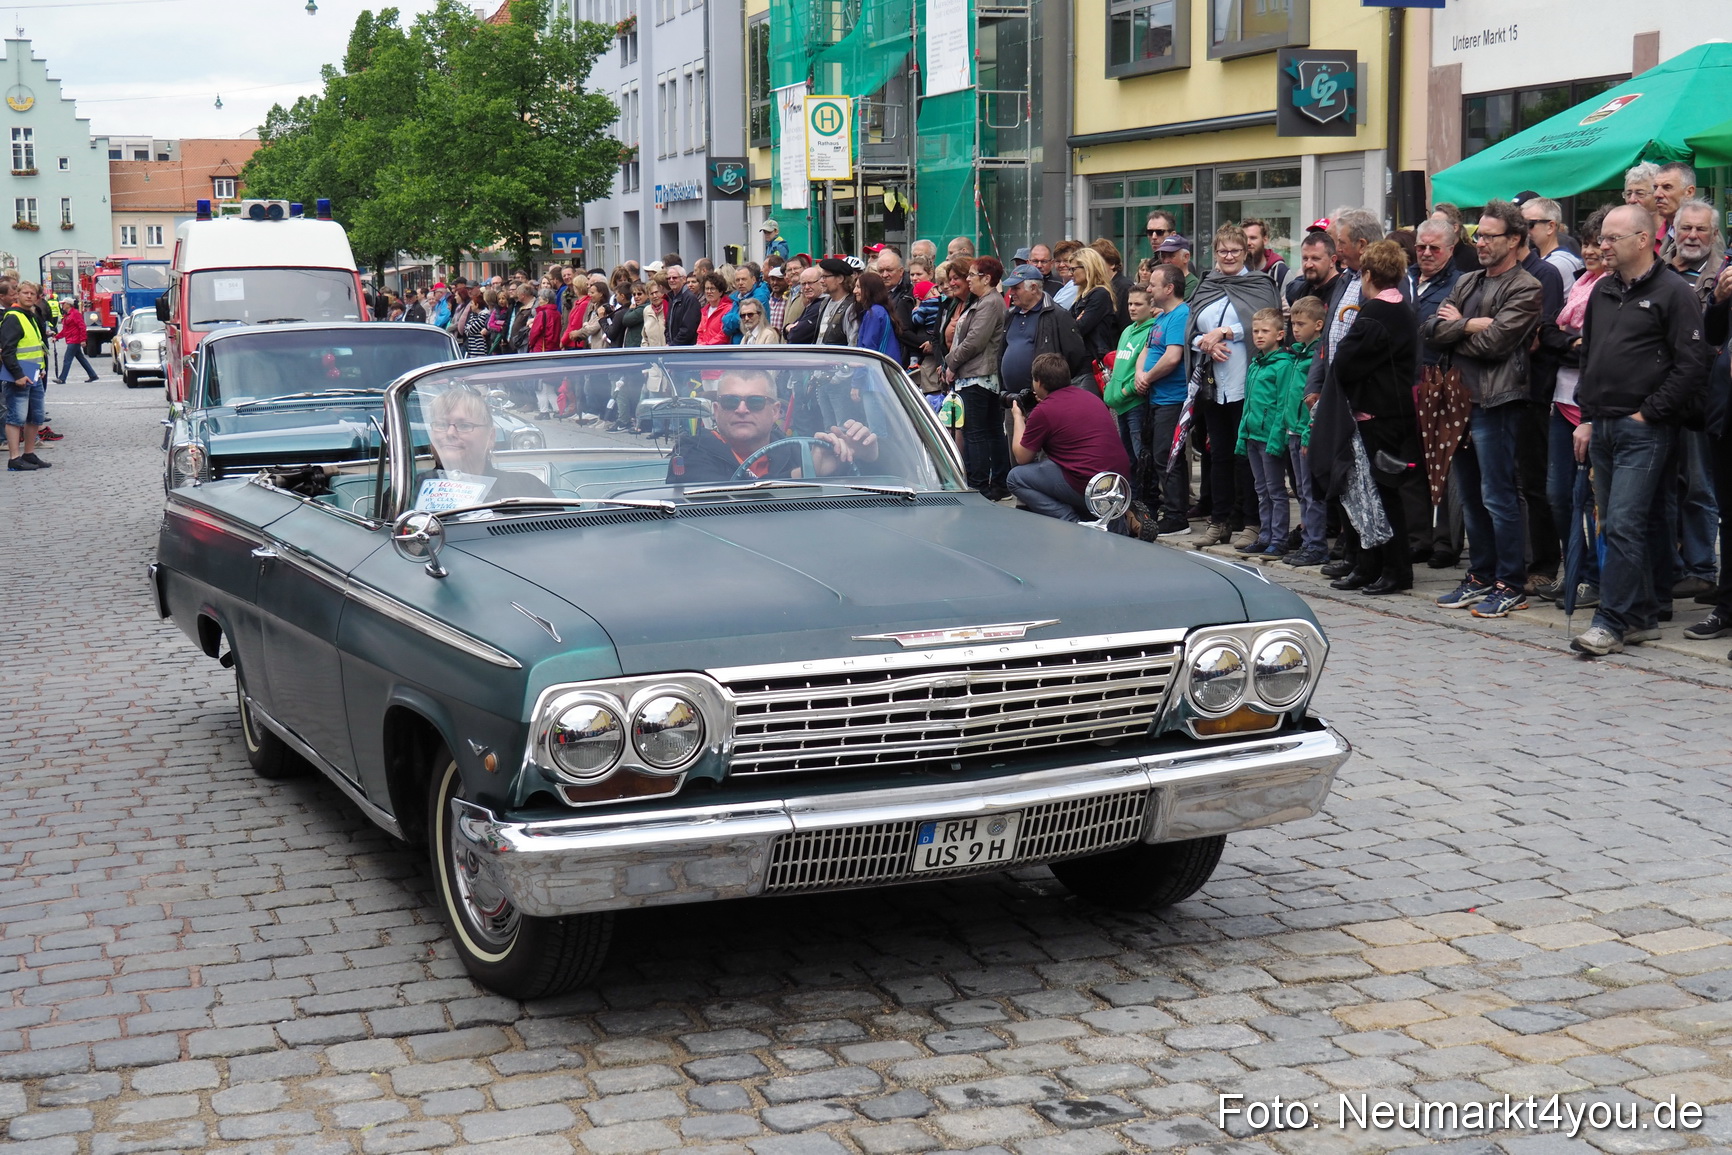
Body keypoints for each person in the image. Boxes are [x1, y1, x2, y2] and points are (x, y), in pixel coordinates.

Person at [1569, 205, 1709, 656]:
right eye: (1602, 238)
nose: (1602, 246)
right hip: (1605, 423)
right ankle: (1642, 615)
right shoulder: (1603, 291)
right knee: (1625, 523)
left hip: (1644, 428)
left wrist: (1650, 413)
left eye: (1612, 238)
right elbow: (1589, 356)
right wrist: (1588, 416)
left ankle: (1611, 620)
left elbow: (1691, 364)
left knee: (1624, 524)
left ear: (1642, 239)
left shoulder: (1673, 291)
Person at [1421, 199, 1543, 619]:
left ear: (1514, 239)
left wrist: (1455, 329)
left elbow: (1497, 346)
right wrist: (1469, 325)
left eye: (1490, 236)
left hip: (1497, 402)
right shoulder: (1469, 280)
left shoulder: (1526, 286)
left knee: (1498, 496)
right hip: (1457, 400)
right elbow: (1430, 331)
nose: (1481, 242)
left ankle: (1510, 582)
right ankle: (1480, 574)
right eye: (1479, 235)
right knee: (1469, 498)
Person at [1318, 240, 1421, 595]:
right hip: (1385, 412)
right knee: (1368, 494)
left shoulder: (1378, 312)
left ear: (1369, 274)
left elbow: (1345, 361)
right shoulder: (1397, 308)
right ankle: (1370, 565)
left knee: (1379, 495)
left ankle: (1393, 569)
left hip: (1379, 414)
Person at [1187, 223, 1281, 550]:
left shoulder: (1258, 284)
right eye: (1223, 251)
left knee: (1248, 458)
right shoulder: (1206, 285)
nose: (1228, 256)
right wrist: (1205, 342)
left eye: (1235, 251)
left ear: (1246, 253)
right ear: (1215, 253)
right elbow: (1191, 330)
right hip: (1214, 385)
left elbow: (1265, 322)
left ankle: (1252, 523)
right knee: (1220, 455)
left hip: (1247, 384)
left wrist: (1226, 332)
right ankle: (1220, 520)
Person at [1535, 206, 1608, 608]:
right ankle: (1575, 571)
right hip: (1562, 398)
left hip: (1594, 405)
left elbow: (1597, 346)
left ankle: (1595, 578)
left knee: (1594, 498)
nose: (1592, 250)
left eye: (1600, 243)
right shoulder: (1580, 281)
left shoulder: (1611, 287)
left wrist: (1572, 343)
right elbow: (1549, 332)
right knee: (1559, 494)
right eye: (1587, 243)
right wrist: (1571, 343)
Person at [664, 367, 877, 484]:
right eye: (731, 401)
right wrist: (803, 474)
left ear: (776, 411)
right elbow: (723, 500)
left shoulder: (796, 450)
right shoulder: (689, 454)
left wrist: (865, 455)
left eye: (755, 402)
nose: (742, 409)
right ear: (717, 410)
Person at [1007, 352, 1131, 523]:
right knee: (1053, 463)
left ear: (1039, 382)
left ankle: (1070, 520)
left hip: (1088, 486)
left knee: (1016, 477)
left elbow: (1022, 457)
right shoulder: (1090, 397)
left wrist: (1017, 417)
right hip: (1117, 483)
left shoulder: (1044, 411)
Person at [1408, 218, 1466, 569]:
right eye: (1421, 247)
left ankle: (1447, 540)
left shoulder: (1459, 283)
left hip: (1441, 380)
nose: (1426, 253)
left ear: (1450, 248)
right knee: (1413, 463)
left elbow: (1447, 329)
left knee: (1445, 464)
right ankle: (1418, 537)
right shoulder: (1406, 278)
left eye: (1434, 248)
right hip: (1407, 379)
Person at [418, 387, 554, 506]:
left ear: (490, 437)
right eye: (441, 425)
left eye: (464, 426)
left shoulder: (527, 490)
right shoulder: (408, 491)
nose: (450, 433)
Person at [944, 256, 1009, 499]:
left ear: (987, 278)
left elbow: (974, 341)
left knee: (976, 433)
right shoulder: (984, 301)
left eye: (972, 275)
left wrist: (950, 361)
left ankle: (982, 485)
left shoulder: (990, 303)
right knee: (990, 430)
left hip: (978, 377)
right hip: (977, 375)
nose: (968, 279)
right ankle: (996, 483)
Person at [1233, 307, 1296, 557]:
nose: (1258, 336)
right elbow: (1248, 403)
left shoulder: (1283, 365)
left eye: (1265, 331)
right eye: (1255, 331)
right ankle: (1266, 534)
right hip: (1252, 436)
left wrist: (1276, 438)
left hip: (1270, 436)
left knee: (1275, 490)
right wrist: (1242, 435)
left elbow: (1283, 405)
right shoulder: (1255, 364)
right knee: (1261, 489)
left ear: (1280, 334)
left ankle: (1279, 539)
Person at [1139, 265, 1193, 537]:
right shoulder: (1161, 318)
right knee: (1157, 456)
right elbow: (1147, 349)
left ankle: (1176, 516)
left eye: (1153, 285)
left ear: (1169, 288)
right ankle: (1168, 509)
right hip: (1156, 397)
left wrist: (1147, 377)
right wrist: (1140, 373)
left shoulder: (1180, 315)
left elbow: (1173, 357)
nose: (1148, 289)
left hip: (1173, 398)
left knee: (1167, 457)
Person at [1277, 295, 1329, 566]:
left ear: (1318, 325)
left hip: (1306, 432)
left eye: (1301, 324)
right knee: (1300, 491)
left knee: (1310, 493)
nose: (1294, 329)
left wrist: (1308, 432)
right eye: (1292, 323)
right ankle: (1308, 540)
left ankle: (1316, 544)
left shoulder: (1316, 356)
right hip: (1292, 431)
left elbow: (1314, 401)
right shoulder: (1295, 354)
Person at [1101, 285, 1158, 464]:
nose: (1132, 308)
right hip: (1120, 406)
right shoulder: (1127, 330)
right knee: (1128, 459)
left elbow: (1148, 369)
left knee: (1141, 457)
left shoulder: (1153, 331)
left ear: (1151, 306)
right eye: (1130, 304)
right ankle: (1133, 492)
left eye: (1138, 304)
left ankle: (1146, 493)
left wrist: (1125, 392)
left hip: (1136, 404)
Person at [3, 282, 50, 471]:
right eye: (25, 293)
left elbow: (37, 346)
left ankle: (29, 454)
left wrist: (42, 368)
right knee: (16, 417)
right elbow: (8, 350)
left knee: (35, 417)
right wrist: (18, 375)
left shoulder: (30, 316)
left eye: (32, 293)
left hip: (35, 372)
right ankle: (14, 458)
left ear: (37, 297)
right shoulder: (13, 317)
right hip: (20, 375)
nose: (29, 296)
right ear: (18, 295)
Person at [1068, 248, 1121, 380]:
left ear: (1087, 267)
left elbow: (1078, 328)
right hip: (1079, 364)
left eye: (1073, 269)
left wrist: (1073, 324)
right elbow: (1066, 326)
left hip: (1092, 365)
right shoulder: (1080, 298)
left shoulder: (1100, 294)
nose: (1070, 274)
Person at [1522, 198, 1584, 284]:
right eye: (1521, 224)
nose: (1523, 230)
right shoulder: (1558, 259)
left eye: (1530, 224)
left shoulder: (1555, 265)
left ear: (1550, 227)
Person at [854, 271, 906, 364]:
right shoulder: (880, 310)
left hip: (878, 369)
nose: (855, 291)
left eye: (858, 287)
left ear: (869, 290)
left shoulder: (874, 313)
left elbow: (868, 347)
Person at [53, 298, 99, 384]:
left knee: (67, 360)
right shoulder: (69, 314)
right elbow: (65, 330)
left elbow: (82, 327)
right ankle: (93, 375)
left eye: (63, 304)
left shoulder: (75, 314)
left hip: (74, 340)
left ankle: (62, 378)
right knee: (81, 359)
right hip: (73, 340)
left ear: (68, 304)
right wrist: (57, 337)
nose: (62, 305)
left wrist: (83, 340)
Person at [1243, 218, 1289, 286]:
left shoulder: (1280, 272)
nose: (1248, 243)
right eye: (1244, 238)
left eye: (1253, 238)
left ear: (1265, 240)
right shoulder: (1235, 269)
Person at [785, 266, 825, 344]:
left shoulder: (819, 306)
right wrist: (787, 328)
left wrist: (788, 328)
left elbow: (795, 336)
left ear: (821, 282)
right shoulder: (811, 305)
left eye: (810, 283)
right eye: (803, 284)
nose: (806, 287)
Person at [664, 265, 700, 346]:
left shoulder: (690, 299)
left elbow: (688, 329)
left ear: (683, 279)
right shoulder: (672, 298)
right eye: (668, 278)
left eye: (674, 277)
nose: (671, 280)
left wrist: (672, 345)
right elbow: (668, 325)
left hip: (685, 350)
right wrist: (669, 342)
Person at [1155, 234, 1197, 299]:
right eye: (1163, 256)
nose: (1166, 261)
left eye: (1171, 256)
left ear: (1186, 257)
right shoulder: (1161, 282)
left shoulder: (1192, 284)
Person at [695, 272, 732, 346]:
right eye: (707, 289)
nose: (709, 292)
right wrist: (700, 344)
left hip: (720, 352)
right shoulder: (705, 310)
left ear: (720, 292)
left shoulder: (728, 309)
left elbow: (724, 335)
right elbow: (700, 332)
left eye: (712, 289)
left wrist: (706, 345)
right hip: (704, 351)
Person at [1052, 241, 1083, 309]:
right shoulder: (1065, 286)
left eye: (1066, 261)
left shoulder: (1075, 286)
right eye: (1058, 261)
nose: (1061, 265)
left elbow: (1053, 312)